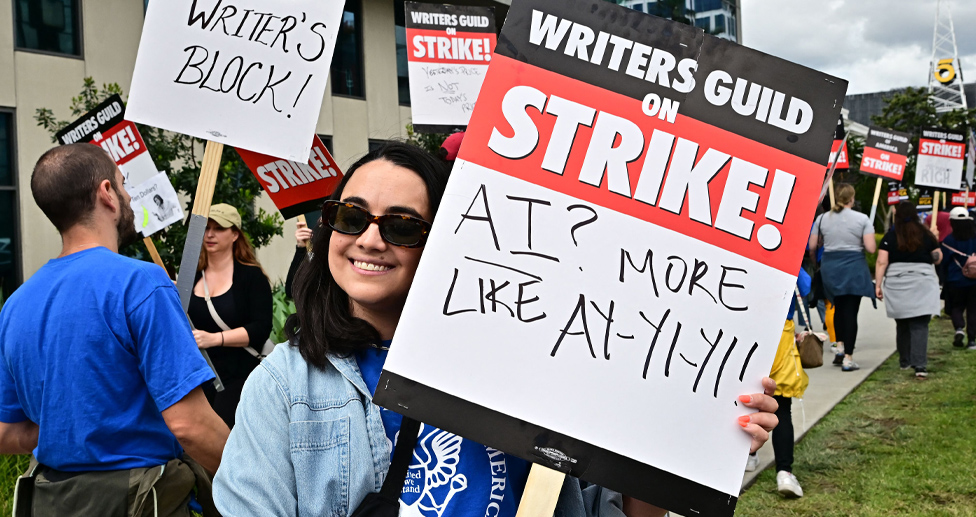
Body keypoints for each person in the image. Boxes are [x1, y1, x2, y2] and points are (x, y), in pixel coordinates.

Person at [212, 142, 781, 517]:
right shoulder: (284, 387)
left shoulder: (535, 371)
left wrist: (689, 435)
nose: (369, 239)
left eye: (403, 226)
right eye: (352, 216)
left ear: (447, 241)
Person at [0, 143, 228, 515]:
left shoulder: (15, 305)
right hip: (137, 500)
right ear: (106, 193)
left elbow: (6, 433)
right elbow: (190, 425)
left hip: (52, 502)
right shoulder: (141, 284)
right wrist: (261, 480)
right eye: (123, 184)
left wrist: (85, 424)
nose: (126, 195)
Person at [189, 203, 273, 427]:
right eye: (207, 228)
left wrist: (214, 339)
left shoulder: (251, 277)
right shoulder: (192, 278)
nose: (210, 234)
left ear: (235, 234)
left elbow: (261, 328)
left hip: (241, 379)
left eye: (219, 228)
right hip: (202, 380)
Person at [745, 270, 811, 498]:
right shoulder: (788, 254)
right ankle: (784, 472)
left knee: (745, 403)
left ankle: (748, 455)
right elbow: (805, 285)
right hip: (780, 338)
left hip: (747, 332)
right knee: (781, 408)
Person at [808, 183, 876, 372]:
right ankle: (848, 357)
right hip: (853, 267)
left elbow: (812, 246)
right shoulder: (862, 219)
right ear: (852, 199)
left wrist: (817, 264)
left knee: (836, 307)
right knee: (851, 312)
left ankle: (839, 346)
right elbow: (871, 248)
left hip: (830, 267)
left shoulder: (822, 219)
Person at [875, 201, 942, 379]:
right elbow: (937, 259)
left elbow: (882, 261)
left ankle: (905, 361)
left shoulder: (890, 237)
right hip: (923, 282)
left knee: (903, 323)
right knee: (920, 324)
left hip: (897, 284)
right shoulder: (926, 235)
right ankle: (920, 365)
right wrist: (935, 239)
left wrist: (878, 284)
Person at [941, 206, 976, 350]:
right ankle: (972, 341)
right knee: (973, 310)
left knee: (956, 307)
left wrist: (942, 279)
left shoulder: (948, 240)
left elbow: (943, 262)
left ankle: (959, 328)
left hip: (955, 280)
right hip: (974, 281)